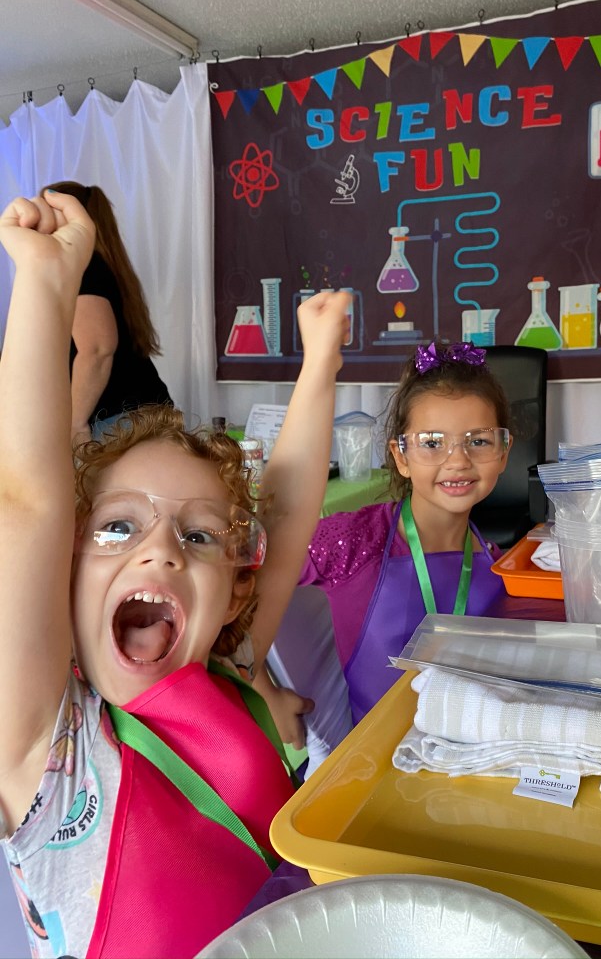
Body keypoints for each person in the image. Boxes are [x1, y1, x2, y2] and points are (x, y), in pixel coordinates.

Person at [0, 189, 350, 959]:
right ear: (61, 571)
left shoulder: (228, 669)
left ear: (234, 591)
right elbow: (24, 502)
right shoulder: (47, 747)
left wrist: (320, 361)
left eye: (196, 535)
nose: (159, 550)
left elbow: (283, 520)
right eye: (117, 526)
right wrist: (45, 286)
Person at [258, 340, 512, 740]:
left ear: (503, 451)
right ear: (401, 456)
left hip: (465, 765)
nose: (458, 459)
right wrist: (260, 688)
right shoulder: (355, 543)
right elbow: (244, 572)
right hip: (368, 770)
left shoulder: (500, 566)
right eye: (432, 442)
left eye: (478, 441)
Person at [44, 180, 173, 443]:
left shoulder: (84, 267)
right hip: (136, 414)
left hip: (117, 421)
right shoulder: (104, 266)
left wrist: (74, 423)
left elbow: (97, 349)